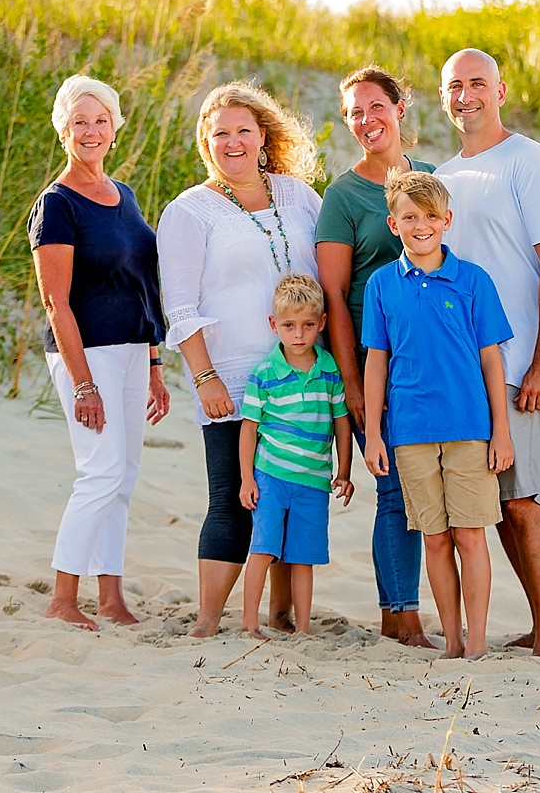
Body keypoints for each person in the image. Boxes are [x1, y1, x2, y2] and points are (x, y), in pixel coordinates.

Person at [158, 80, 323, 638]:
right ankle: (207, 620)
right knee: (232, 494)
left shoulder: (299, 196)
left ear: (263, 136)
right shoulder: (190, 211)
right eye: (219, 133)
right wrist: (203, 376)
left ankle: (280, 617)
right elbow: (179, 305)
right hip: (230, 375)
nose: (232, 142)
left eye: (242, 131)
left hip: (300, 374)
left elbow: (328, 271)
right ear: (206, 142)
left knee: (286, 496)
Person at [433, 48, 540, 659]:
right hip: (463, 373)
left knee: (524, 500)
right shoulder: (441, 175)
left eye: (478, 84)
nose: (467, 95)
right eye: (455, 86)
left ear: (501, 90)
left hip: (519, 370)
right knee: (496, 507)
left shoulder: (528, 160)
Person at [27, 74, 172, 632]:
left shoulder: (124, 194)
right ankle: (64, 599)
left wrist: (154, 363)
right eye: (79, 121)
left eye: (100, 120)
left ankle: (110, 597)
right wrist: (83, 382)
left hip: (134, 351)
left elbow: (143, 285)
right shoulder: (57, 205)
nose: (91, 130)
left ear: (115, 127)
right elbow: (54, 301)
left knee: (124, 476)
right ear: (63, 131)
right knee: (99, 472)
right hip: (85, 355)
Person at [363, 170, 514, 659]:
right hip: (409, 431)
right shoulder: (382, 285)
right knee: (434, 539)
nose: (421, 225)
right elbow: (376, 361)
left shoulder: (473, 280)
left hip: (470, 428)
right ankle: (451, 641)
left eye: (430, 216)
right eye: (410, 217)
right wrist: (372, 435)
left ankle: (476, 643)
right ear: (394, 223)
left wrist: (502, 433)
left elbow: (492, 359)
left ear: (447, 220)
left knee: (470, 535)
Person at [315, 65, 436, 648]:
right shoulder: (343, 196)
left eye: (375, 107)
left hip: (431, 363)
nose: (366, 121)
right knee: (394, 488)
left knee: (425, 488)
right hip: (372, 362)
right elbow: (334, 298)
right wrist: (354, 386)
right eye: (354, 113)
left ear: (399, 108)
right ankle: (401, 615)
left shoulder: (433, 179)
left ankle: (405, 611)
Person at [238, 274, 355, 637]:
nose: (299, 335)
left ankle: (303, 629)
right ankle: (248, 623)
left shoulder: (329, 371)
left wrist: (345, 470)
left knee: (304, 557)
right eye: (289, 326)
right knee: (263, 549)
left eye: (307, 325)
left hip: (315, 481)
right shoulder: (264, 374)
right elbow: (249, 429)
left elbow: (341, 423)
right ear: (274, 326)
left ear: (321, 323)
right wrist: (246, 478)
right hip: (271, 477)